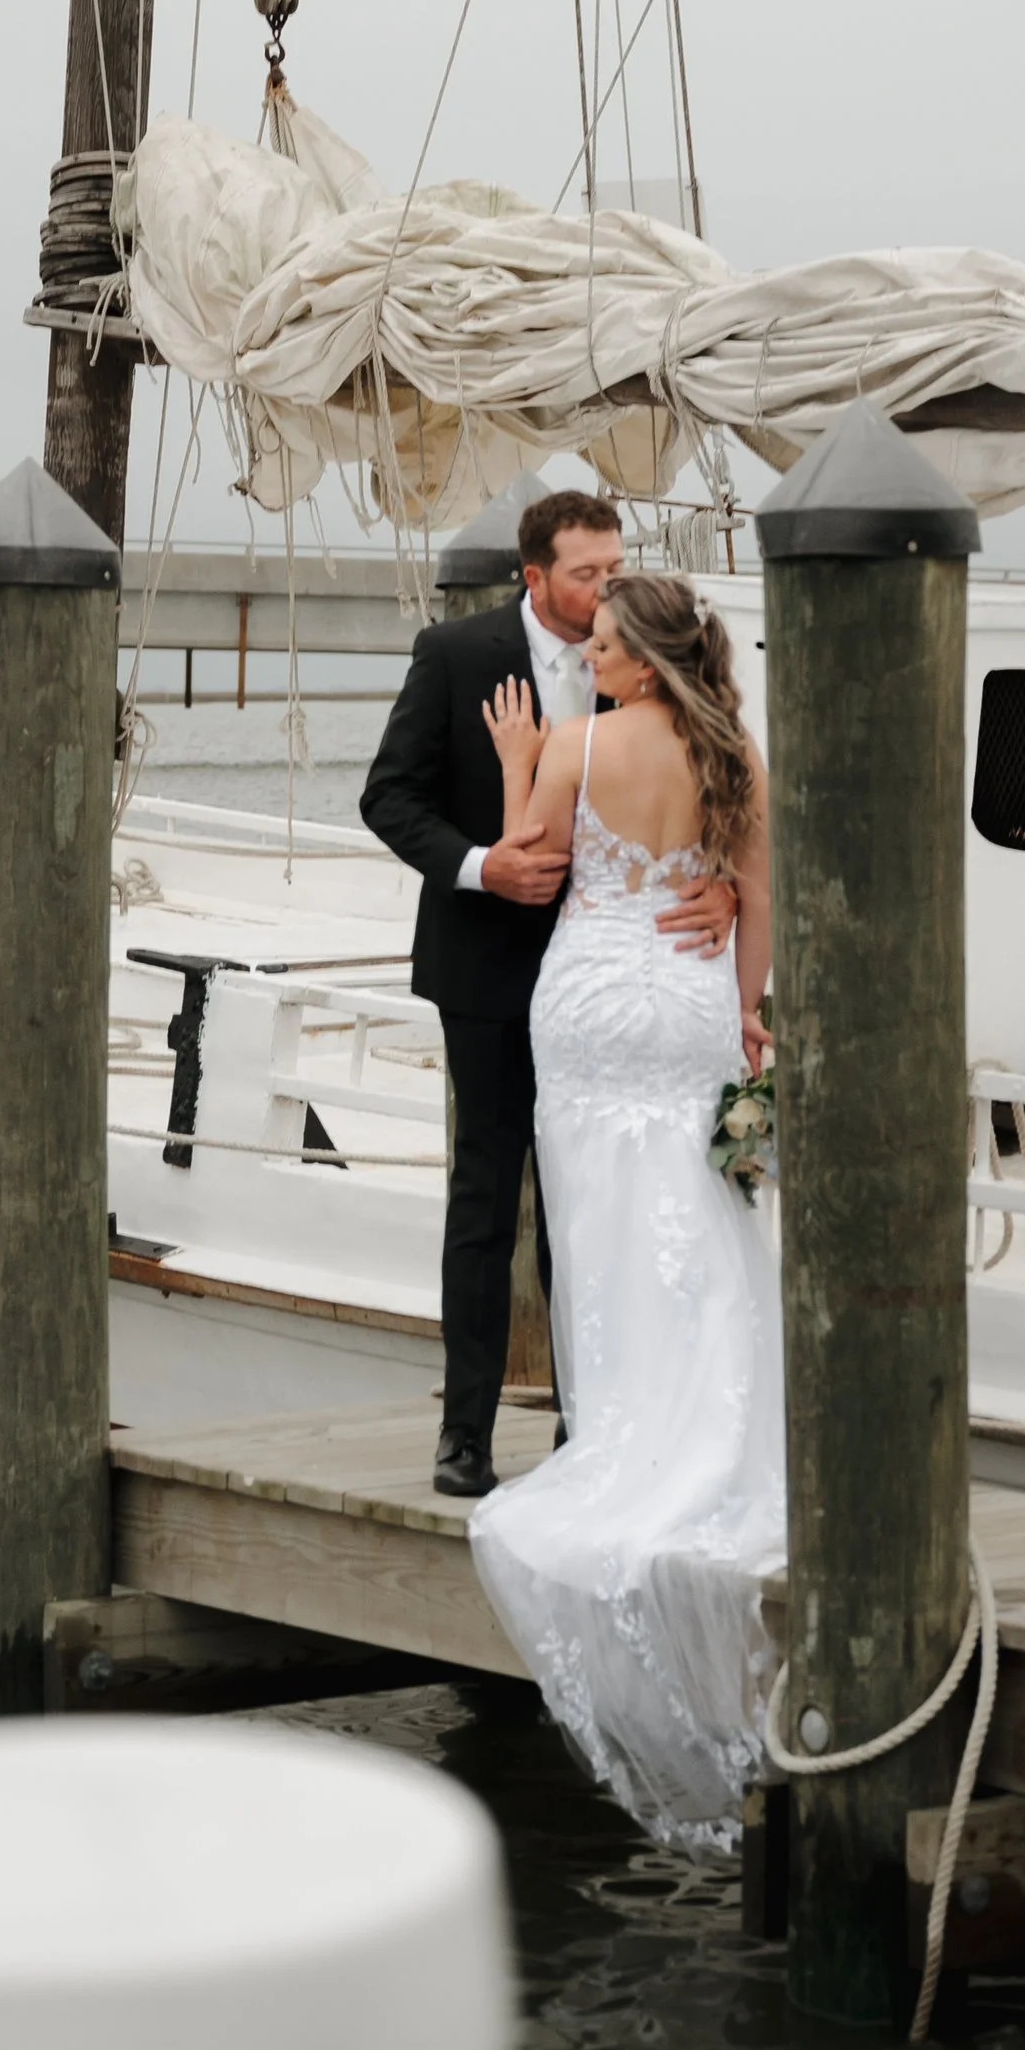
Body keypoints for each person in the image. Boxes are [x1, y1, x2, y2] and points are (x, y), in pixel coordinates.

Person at [467, 572, 783, 1850]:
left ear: (644, 664)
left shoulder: (575, 743)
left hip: (590, 1003)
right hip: (688, 990)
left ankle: (615, 1430)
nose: (586, 654)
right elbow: (754, 908)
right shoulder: (731, 756)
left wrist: (515, 765)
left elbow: (532, 868)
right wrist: (749, 1016)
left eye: (600, 643)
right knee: (700, 1217)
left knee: (599, 1228)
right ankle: (702, 1430)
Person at [360, 492, 733, 1499]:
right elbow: (388, 796)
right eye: (585, 573)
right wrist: (482, 866)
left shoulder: (650, 656)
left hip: (622, 970)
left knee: (598, 1196)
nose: (605, 586)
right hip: (488, 965)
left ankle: (593, 1423)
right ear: (533, 578)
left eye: (615, 567)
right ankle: (465, 1433)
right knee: (487, 1197)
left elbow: (718, 802)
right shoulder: (452, 653)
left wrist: (724, 886)